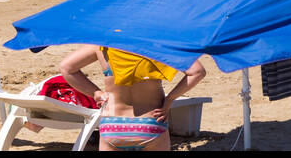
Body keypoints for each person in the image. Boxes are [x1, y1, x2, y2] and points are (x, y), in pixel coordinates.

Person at [58, 45, 205, 151]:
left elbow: (67, 68)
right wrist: (169, 100)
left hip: (113, 125)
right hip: (151, 123)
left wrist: (96, 93)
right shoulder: (157, 44)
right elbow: (197, 72)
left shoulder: (103, 45)